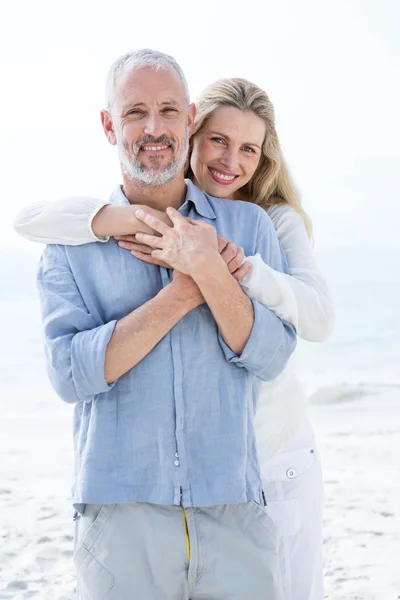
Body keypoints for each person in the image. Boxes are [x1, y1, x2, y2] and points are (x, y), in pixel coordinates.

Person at [15, 73, 334, 600]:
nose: (230, 160)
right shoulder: (86, 234)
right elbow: (30, 225)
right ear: (195, 133)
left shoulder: (264, 225)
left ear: (183, 121)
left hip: (269, 459)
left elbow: (300, 333)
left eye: (248, 148)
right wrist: (127, 221)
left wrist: (230, 269)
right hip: (137, 499)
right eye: (219, 141)